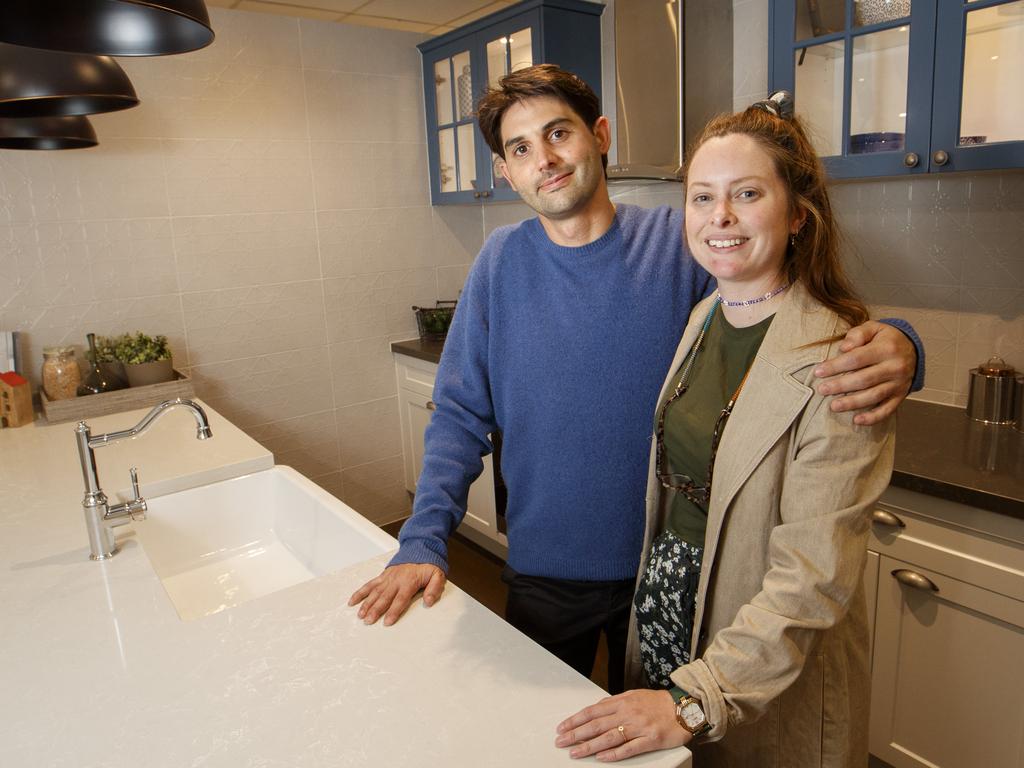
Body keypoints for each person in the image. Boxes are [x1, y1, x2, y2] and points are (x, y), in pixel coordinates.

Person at [349, 66, 921, 696]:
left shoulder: (679, 243)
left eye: (558, 133)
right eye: (520, 149)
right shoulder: (500, 263)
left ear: (600, 135)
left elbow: (779, 307)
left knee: (660, 743)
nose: (545, 159)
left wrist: (897, 340)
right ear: (505, 171)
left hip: (673, 573)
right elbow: (459, 416)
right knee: (538, 737)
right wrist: (423, 537)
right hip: (544, 569)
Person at [554, 94, 893, 766]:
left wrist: (696, 698)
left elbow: (812, 580)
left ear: (798, 213)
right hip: (669, 614)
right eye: (703, 198)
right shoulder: (706, 314)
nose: (721, 218)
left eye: (746, 193)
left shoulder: (842, 361)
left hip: (756, 650)